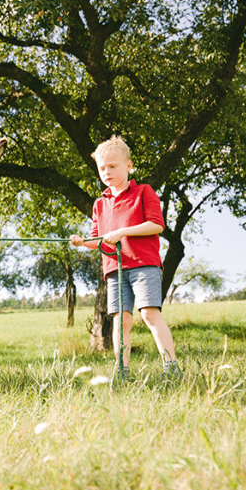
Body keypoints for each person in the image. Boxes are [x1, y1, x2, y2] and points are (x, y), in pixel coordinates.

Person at [70, 136, 180, 380]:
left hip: (144, 264)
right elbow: (98, 240)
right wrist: (82, 242)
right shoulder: (99, 204)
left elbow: (157, 225)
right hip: (115, 269)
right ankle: (123, 372)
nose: (106, 172)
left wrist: (123, 232)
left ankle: (171, 368)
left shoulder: (143, 192)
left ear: (129, 166)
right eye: (102, 168)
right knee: (121, 321)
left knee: (149, 314)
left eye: (112, 166)